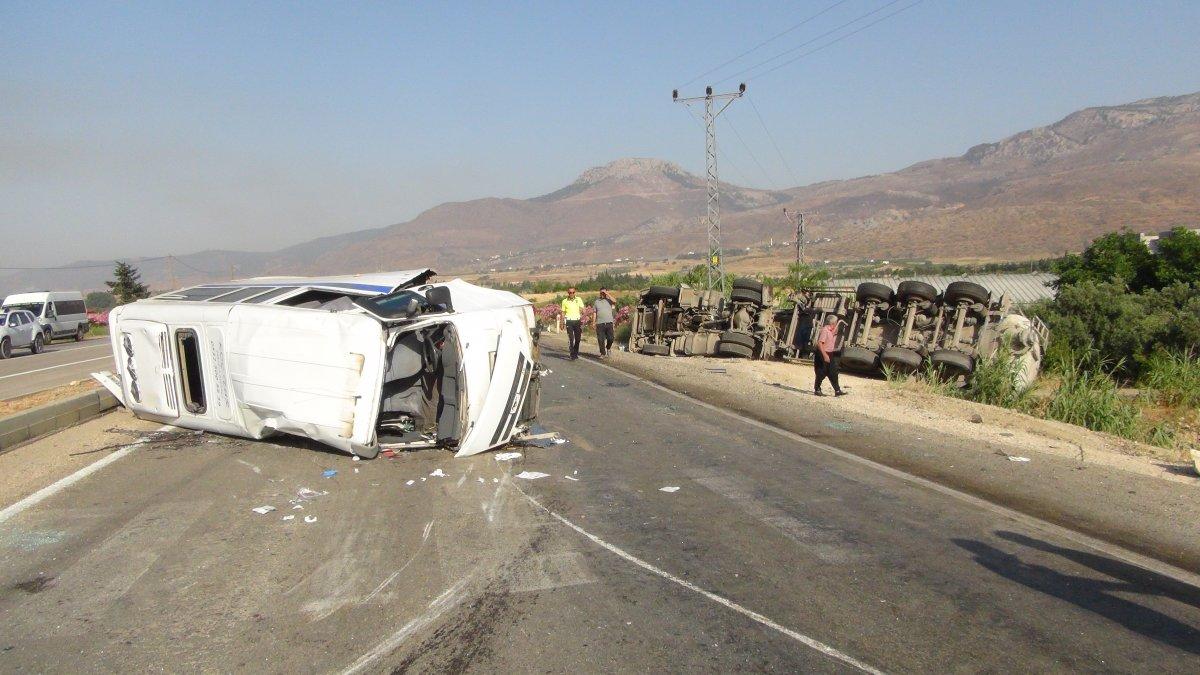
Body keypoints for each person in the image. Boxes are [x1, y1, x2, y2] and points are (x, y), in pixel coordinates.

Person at [814, 314, 848, 397]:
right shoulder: (825, 330)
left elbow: (833, 332)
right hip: (822, 353)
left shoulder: (829, 330)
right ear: (832, 323)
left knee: (833, 372)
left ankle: (837, 390)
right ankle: (817, 389)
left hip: (829, 353)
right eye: (836, 322)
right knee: (821, 372)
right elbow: (819, 343)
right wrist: (825, 355)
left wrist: (839, 323)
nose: (836, 324)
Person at [561, 287, 586, 360]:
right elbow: (563, 312)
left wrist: (583, 312)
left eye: (573, 292)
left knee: (578, 339)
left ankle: (575, 352)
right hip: (569, 321)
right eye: (570, 293)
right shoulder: (564, 301)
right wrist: (562, 323)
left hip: (577, 321)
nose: (571, 294)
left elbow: (583, 309)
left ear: (575, 292)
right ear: (568, 293)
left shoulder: (579, 299)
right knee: (571, 338)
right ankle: (572, 354)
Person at [593, 288, 617, 357]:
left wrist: (607, 294)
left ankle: (608, 348)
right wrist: (593, 322)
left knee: (611, 338)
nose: (602, 294)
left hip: (609, 322)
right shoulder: (596, 302)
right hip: (600, 323)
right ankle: (602, 353)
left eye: (604, 292)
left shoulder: (609, 300)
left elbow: (615, 301)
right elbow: (594, 312)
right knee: (600, 339)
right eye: (601, 292)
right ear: (599, 293)